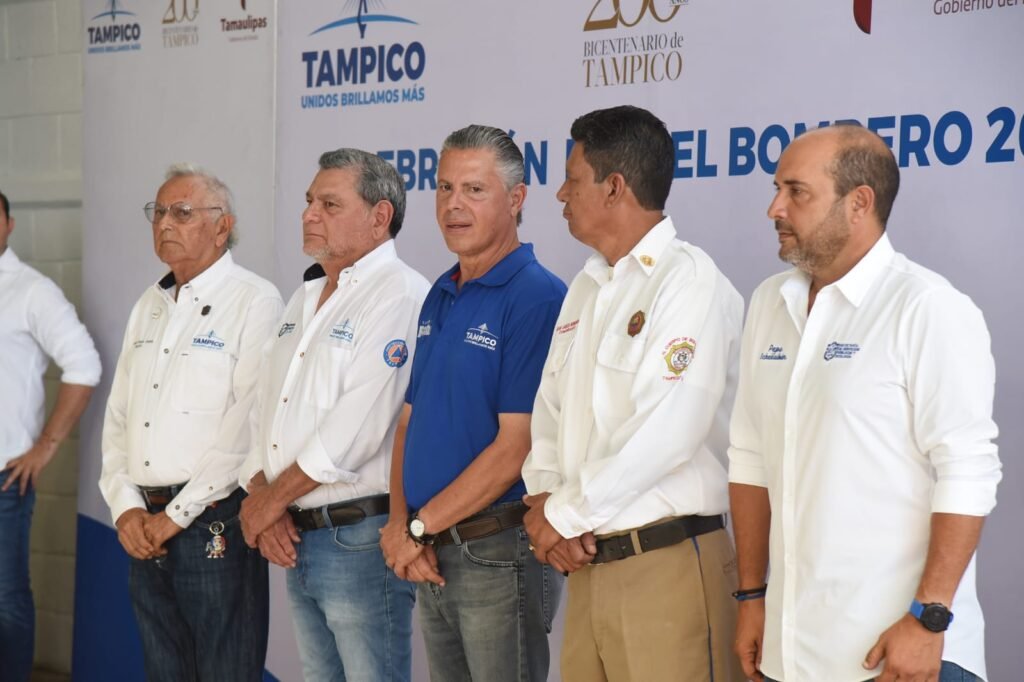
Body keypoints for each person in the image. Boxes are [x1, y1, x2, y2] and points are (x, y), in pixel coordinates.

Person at [728, 124, 1002, 682]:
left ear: (859, 203)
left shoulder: (927, 307)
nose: (775, 208)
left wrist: (928, 619)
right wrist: (752, 595)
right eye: (777, 189)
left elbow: (967, 470)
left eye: (796, 192)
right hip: (789, 653)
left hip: (900, 655)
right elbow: (750, 458)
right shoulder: (769, 302)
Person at [520, 105, 746, 682]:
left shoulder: (688, 280)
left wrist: (561, 515)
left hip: (665, 566)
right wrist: (546, 504)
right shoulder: (586, 286)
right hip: (586, 561)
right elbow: (550, 412)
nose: (560, 194)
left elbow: (665, 434)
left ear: (614, 186)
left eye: (572, 179)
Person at [379, 124, 567, 682]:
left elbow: (517, 447)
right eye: (444, 188)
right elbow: (408, 423)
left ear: (516, 198)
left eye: (474, 190)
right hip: (432, 549)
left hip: (497, 550)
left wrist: (418, 529)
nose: (453, 204)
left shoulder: (537, 295)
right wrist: (401, 526)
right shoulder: (440, 291)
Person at [238, 148, 428, 682]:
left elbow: (356, 430)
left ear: (380, 216)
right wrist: (264, 496)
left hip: (357, 537)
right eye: (308, 201)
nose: (308, 214)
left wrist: (269, 502)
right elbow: (263, 413)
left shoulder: (399, 293)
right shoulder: (303, 297)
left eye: (329, 204)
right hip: (296, 530)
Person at [99, 164, 283, 682]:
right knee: (164, 671)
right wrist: (125, 508)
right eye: (158, 212)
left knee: (226, 670)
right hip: (145, 524)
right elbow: (119, 418)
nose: (164, 223)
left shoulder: (254, 300)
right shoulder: (149, 304)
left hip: (212, 520)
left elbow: (247, 427)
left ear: (223, 227)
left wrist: (176, 516)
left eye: (182, 213)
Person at [0, 189, 101, 682]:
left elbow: (84, 366)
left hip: (3, 478)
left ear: (9, 224)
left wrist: (44, 448)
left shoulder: (30, 291)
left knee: (5, 599)